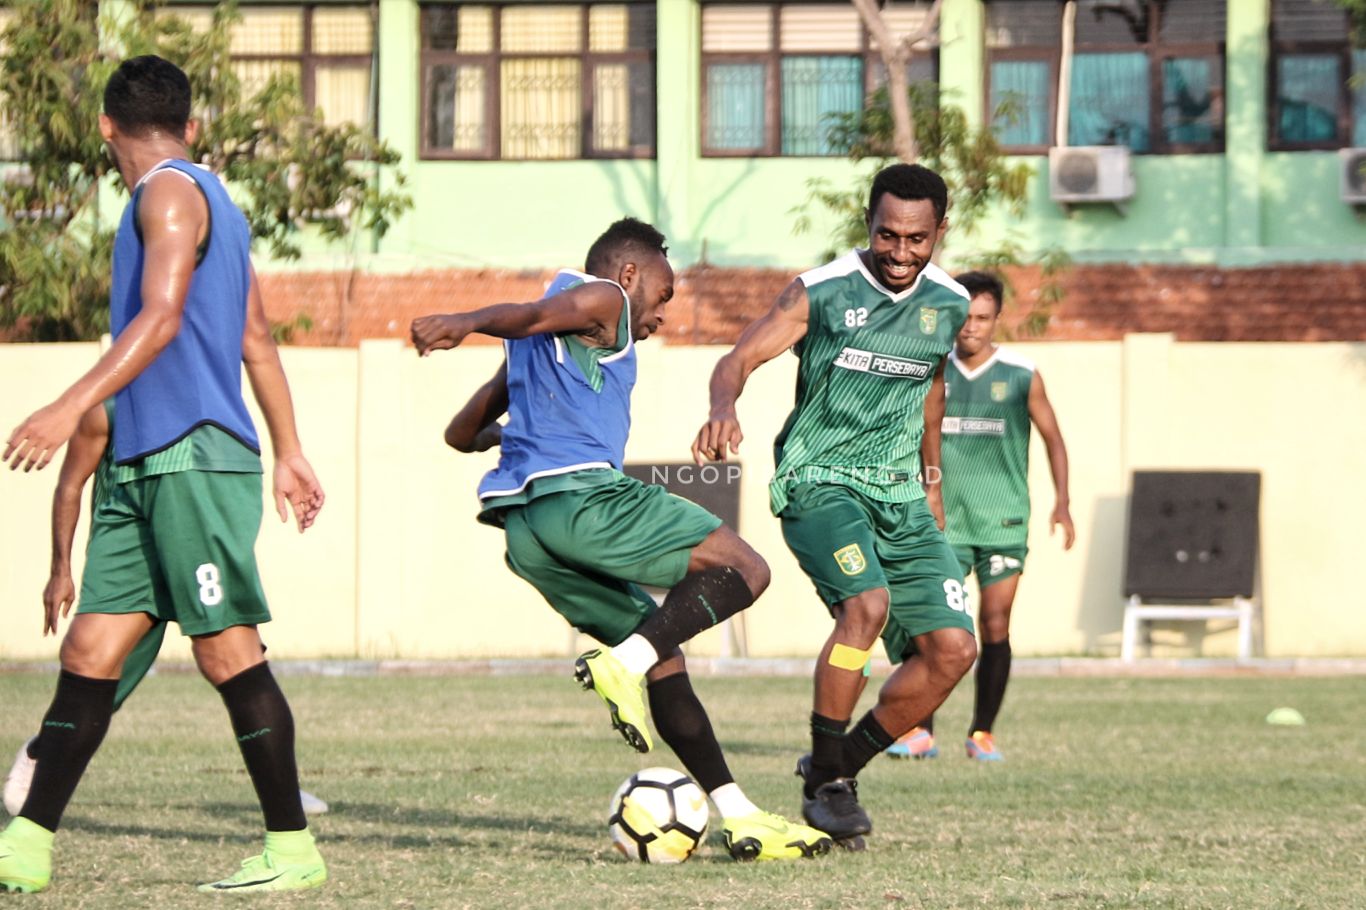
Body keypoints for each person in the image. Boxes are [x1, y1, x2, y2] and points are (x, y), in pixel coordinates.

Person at [0, 56, 327, 894]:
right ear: (192, 122)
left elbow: (164, 313)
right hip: (144, 465)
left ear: (106, 127)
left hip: (193, 456)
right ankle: (26, 848)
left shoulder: (170, 193)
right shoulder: (209, 201)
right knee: (92, 647)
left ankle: (292, 851)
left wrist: (67, 406)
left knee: (225, 651)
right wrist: (289, 448)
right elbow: (255, 335)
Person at [410, 217, 833, 862]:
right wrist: (464, 319)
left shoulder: (541, 344)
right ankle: (621, 664)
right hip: (585, 500)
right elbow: (527, 314)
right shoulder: (604, 299)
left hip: (527, 534)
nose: (663, 311)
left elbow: (460, 434)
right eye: (664, 294)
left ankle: (741, 815)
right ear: (631, 273)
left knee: (663, 656)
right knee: (746, 569)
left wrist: (514, 436)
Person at [692, 163, 977, 849]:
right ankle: (829, 779)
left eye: (917, 239)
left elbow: (931, 388)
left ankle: (834, 766)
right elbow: (738, 357)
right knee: (866, 609)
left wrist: (931, 476)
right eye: (887, 235)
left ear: (940, 231)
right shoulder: (820, 292)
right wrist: (722, 407)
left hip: (901, 495)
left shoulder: (951, 303)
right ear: (868, 224)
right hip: (820, 480)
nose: (901, 253)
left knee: (953, 650)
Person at [3, 400, 329, 818]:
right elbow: (70, 485)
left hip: (188, 539)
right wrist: (60, 570)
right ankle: (38, 754)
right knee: (104, 680)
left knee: (240, 655)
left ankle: (281, 787)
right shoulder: (107, 409)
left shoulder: (205, 406)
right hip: (135, 555)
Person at [885, 271, 1074, 763]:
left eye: (983, 318)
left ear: (996, 320)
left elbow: (1054, 438)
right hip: (943, 521)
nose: (971, 328)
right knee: (933, 625)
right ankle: (919, 730)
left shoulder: (1020, 374)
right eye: (965, 317)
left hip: (1003, 520)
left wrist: (1063, 502)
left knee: (994, 622)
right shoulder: (931, 369)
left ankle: (982, 732)